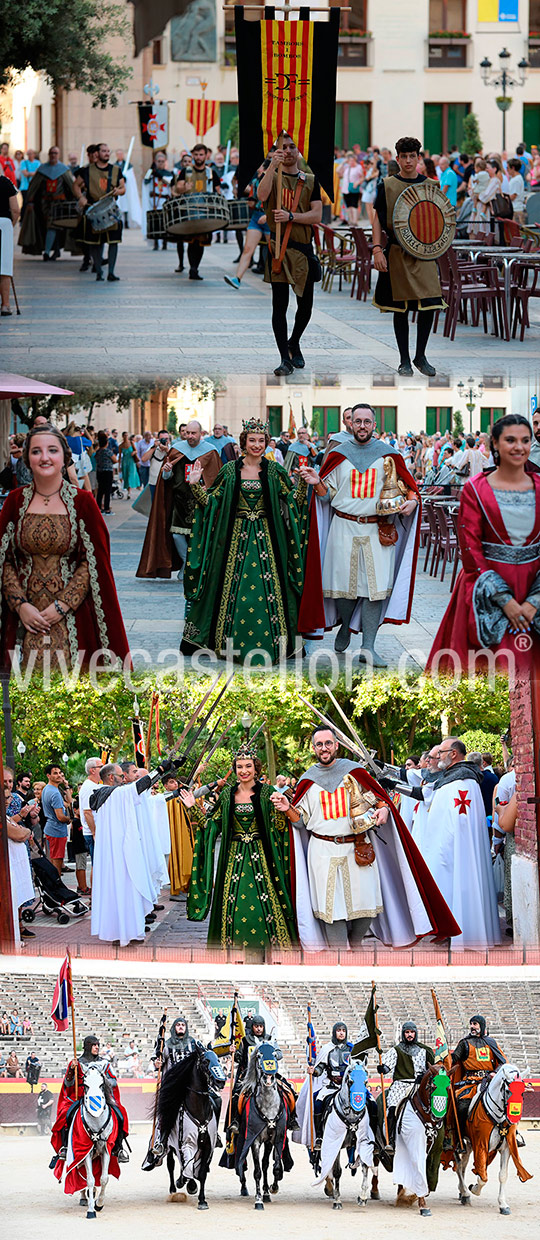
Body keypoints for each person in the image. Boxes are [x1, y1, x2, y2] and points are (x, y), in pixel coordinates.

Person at [276, 725, 460, 951]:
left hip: (358, 847)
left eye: (328, 743)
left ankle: (354, 944)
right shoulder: (308, 780)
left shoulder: (354, 772)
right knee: (331, 907)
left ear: (336, 746)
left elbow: (380, 800)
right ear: (314, 748)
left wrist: (384, 810)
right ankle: (340, 955)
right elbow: (300, 822)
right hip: (322, 852)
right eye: (319, 744)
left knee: (365, 904)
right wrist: (287, 808)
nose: (324, 748)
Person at [0, 425, 130, 672]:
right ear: (27, 457)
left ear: (64, 457)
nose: (45, 457)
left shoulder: (83, 503)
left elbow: (93, 562)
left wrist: (62, 605)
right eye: (36, 451)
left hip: (73, 617)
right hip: (24, 618)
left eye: (52, 450)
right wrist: (21, 605)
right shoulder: (14, 502)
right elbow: (4, 559)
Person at [298, 404, 420, 663]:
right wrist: (316, 482)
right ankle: (345, 623)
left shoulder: (388, 454)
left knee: (375, 589)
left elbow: (409, 487)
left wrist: (412, 501)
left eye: (367, 421)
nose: (362, 425)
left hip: (378, 529)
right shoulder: (338, 454)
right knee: (343, 589)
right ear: (350, 424)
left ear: (374, 425)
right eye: (357, 421)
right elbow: (328, 495)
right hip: (343, 527)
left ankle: (368, 647)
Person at [180, 417, 307, 665]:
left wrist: (303, 484)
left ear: (266, 443)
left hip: (266, 540)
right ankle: (229, 644)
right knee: (231, 588)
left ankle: (273, 645)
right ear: (243, 442)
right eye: (252, 440)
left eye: (261, 441)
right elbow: (212, 503)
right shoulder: (229, 470)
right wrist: (196, 487)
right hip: (234, 539)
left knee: (268, 588)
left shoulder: (274, 471)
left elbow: (291, 501)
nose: (257, 445)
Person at [427, 415, 540, 675]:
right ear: (495, 445)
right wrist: (506, 601)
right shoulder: (476, 489)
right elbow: (470, 548)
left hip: (534, 585)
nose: (518, 447)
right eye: (510, 440)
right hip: (484, 582)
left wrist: (534, 601)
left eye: (525, 440)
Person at [186, 745, 299, 949]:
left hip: (262, 857)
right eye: (239, 767)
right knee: (234, 903)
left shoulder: (268, 793)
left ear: (256, 769)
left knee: (264, 904)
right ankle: (232, 948)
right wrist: (192, 807)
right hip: (233, 858)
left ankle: (270, 948)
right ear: (235, 769)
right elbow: (212, 826)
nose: (244, 770)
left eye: (248, 766)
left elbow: (280, 827)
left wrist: (282, 809)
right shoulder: (228, 794)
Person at [372, 136, 447, 376]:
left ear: (418, 158)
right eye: (403, 156)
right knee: (400, 309)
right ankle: (404, 359)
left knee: (429, 305)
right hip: (396, 252)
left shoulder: (431, 185)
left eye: (412, 156)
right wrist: (376, 249)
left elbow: (440, 220)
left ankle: (420, 356)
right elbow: (377, 219)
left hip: (425, 254)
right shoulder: (387, 185)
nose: (407, 161)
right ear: (397, 159)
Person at [422, 739, 501, 948]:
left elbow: (455, 823)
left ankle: (461, 933)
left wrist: (442, 847)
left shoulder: (460, 783)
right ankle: (450, 930)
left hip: (452, 849)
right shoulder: (455, 780)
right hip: (452, 848)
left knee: (460, 883)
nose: (438, 756)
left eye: (442, 752)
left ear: (454, 754)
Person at [257, 133, 323, 375]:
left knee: (305, 306)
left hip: (303, 251)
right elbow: (261, 196)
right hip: (278, 251)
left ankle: (294, 341)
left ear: (299, 150)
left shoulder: (311, 181)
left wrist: (292, 217)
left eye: (292, 146)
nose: (288, 150)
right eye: (282, 147)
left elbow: (317, 215)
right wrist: (272, 165)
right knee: (279, 305)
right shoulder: (272, 177)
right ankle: (284, 358)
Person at [136, 421, 221, 581]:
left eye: (193, 433)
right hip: (179, 501)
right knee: (176, 536)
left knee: (198, 535)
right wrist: (166, 472)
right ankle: (186, 563)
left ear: (200, 433)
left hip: (200, 502)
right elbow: (167, 477)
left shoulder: (210, 451)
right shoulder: (177, 449)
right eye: (187, 433)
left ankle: (193, 566)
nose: (189, 436)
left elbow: (215, 478)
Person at [90, 762, 163, 946]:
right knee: (122, 889)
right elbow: (139, 786)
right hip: (118, 853)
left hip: (116, 852)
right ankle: (121, 933)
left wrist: (162, 772)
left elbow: (138, 789)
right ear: (111, 777)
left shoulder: (110, 795)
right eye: (121, 776)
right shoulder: (112, 793)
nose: (125, 779)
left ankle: (127, 932)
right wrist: (161, 769)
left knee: (123, 891)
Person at [51, 1034, 129, 1165]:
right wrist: (71, 1070)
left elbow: (114, 1082)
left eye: (98, 1045)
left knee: (121, 1114)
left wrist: (104, 1079)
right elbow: (68, 1084)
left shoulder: (104, 1063)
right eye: (94, 1045)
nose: (97, 1047)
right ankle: (65, 1147)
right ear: (87, 1046)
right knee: (66, 1115)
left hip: (101, 1096)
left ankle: (119, 1147)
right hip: (81, 1096)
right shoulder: (77, 1063)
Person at [74, 142, 126, 282]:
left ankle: (111, 272)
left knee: (113, 241)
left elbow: (123, 188)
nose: (107, 153)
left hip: (110, 211)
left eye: (108, 151)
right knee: (95, 242)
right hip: (93, 210)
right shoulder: (87, 171)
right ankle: (98, 271)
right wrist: (81, 197)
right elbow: (76, 186)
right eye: (104, 151)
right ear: (97, 154)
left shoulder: (116, 170)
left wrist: (118, 191)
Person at [296, 1021, 352, 1149]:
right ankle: (319, 1136)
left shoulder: (351, 1049)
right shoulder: (327, 1049)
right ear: (334, 1032)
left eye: (343, 1030)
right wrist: (314, 1071)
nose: (341, 1032)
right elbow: (320, 1068)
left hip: (349, 1087)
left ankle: (367, 1136)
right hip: (331, 1086)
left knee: (369, 1102)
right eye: (339, 1030)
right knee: (318, 1102)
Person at [380, 1022, 434, 1150]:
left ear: (416, 1033)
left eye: (412, 1032)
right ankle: (391, 1139)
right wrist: (383, 1068)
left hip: (419, 1086)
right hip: (400, 1085)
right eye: (407, 1032)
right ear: (403, 1034)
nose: (409, 1035)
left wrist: (425, 1075)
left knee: (436, 1106)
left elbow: (433, 1069)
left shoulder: (425, 1050)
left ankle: (439, 1137)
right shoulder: (396, 1050)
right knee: (392, 1107)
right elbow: (387, 1066)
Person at [171, 144, 222, 280]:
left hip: (206, 212)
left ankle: (195, 268)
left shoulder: (211, 173)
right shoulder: (186, 171)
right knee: (191, 241)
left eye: (201, 154)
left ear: (206, 156)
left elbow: (218, 191)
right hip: (189, 211)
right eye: (196, 154)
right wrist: (184, 188)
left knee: (201, 242)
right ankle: (193, 268)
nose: (198, 157)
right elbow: (177, 189)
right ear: (193, 155)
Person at [19, 147, 77, 259]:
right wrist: (30, 201)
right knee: (48, 227)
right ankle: (54, 250)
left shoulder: (63, 169)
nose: (53, 155)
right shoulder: (42, 169)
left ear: (59, 154)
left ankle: (47, 252)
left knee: (53, 226)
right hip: (44, 204)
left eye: (55, 153)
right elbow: (34, 187)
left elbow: (71, 186)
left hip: (60, 203)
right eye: (51, 153)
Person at [450, 1016, 506, 1127]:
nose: (472, 1027)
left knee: (505, 1104)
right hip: (470, 1084)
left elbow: (502, 1062)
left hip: (490, 1082)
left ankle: (512, 1133)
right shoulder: (464, 1043)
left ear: (482, 1025)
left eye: (475, 1024)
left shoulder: (491, 1043)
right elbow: (453, 1059)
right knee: (462, 1107)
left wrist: (495, 1072)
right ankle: (460, 1135)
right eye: (471, 1024)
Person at [142, 150, 176, 253]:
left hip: (164, 200)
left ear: (165, 161)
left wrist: (160, 176)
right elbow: (145, 180)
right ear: (155, 162)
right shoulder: (152, 173)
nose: (160, 163)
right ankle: (156, 243)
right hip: (154, 201)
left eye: (162, 161)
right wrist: (151, 170)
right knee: (155, 222)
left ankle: (165, 243)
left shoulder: (169, 173)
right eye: (158, 161)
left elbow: (170, 183)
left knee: (165, 222)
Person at [0, 171, 20, 317]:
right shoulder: (6, 182)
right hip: (3, 224)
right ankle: (5, 305)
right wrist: (11, 224)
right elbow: (15, 209)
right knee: (4, 265)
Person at [94, 429, 117, 514]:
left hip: (99, 472)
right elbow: (115, 460)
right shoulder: (108, 451)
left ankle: (99, 506)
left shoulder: (98, 452)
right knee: (107, 490)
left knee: (100, 490)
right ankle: (107, 508)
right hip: (108, 472)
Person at [120, 431, 141, 497]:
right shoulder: (120, 445)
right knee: (126, 476)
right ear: (122, 436)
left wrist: (134, 452)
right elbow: (120, 456)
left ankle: (129, 491)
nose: (126, 437)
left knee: (131, 475)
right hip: (124, 462)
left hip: (131, 461)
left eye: (127, 435)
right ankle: (128, 490)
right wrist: (119, 466)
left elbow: (136, 450)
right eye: (125, 435)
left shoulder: (131, 443)